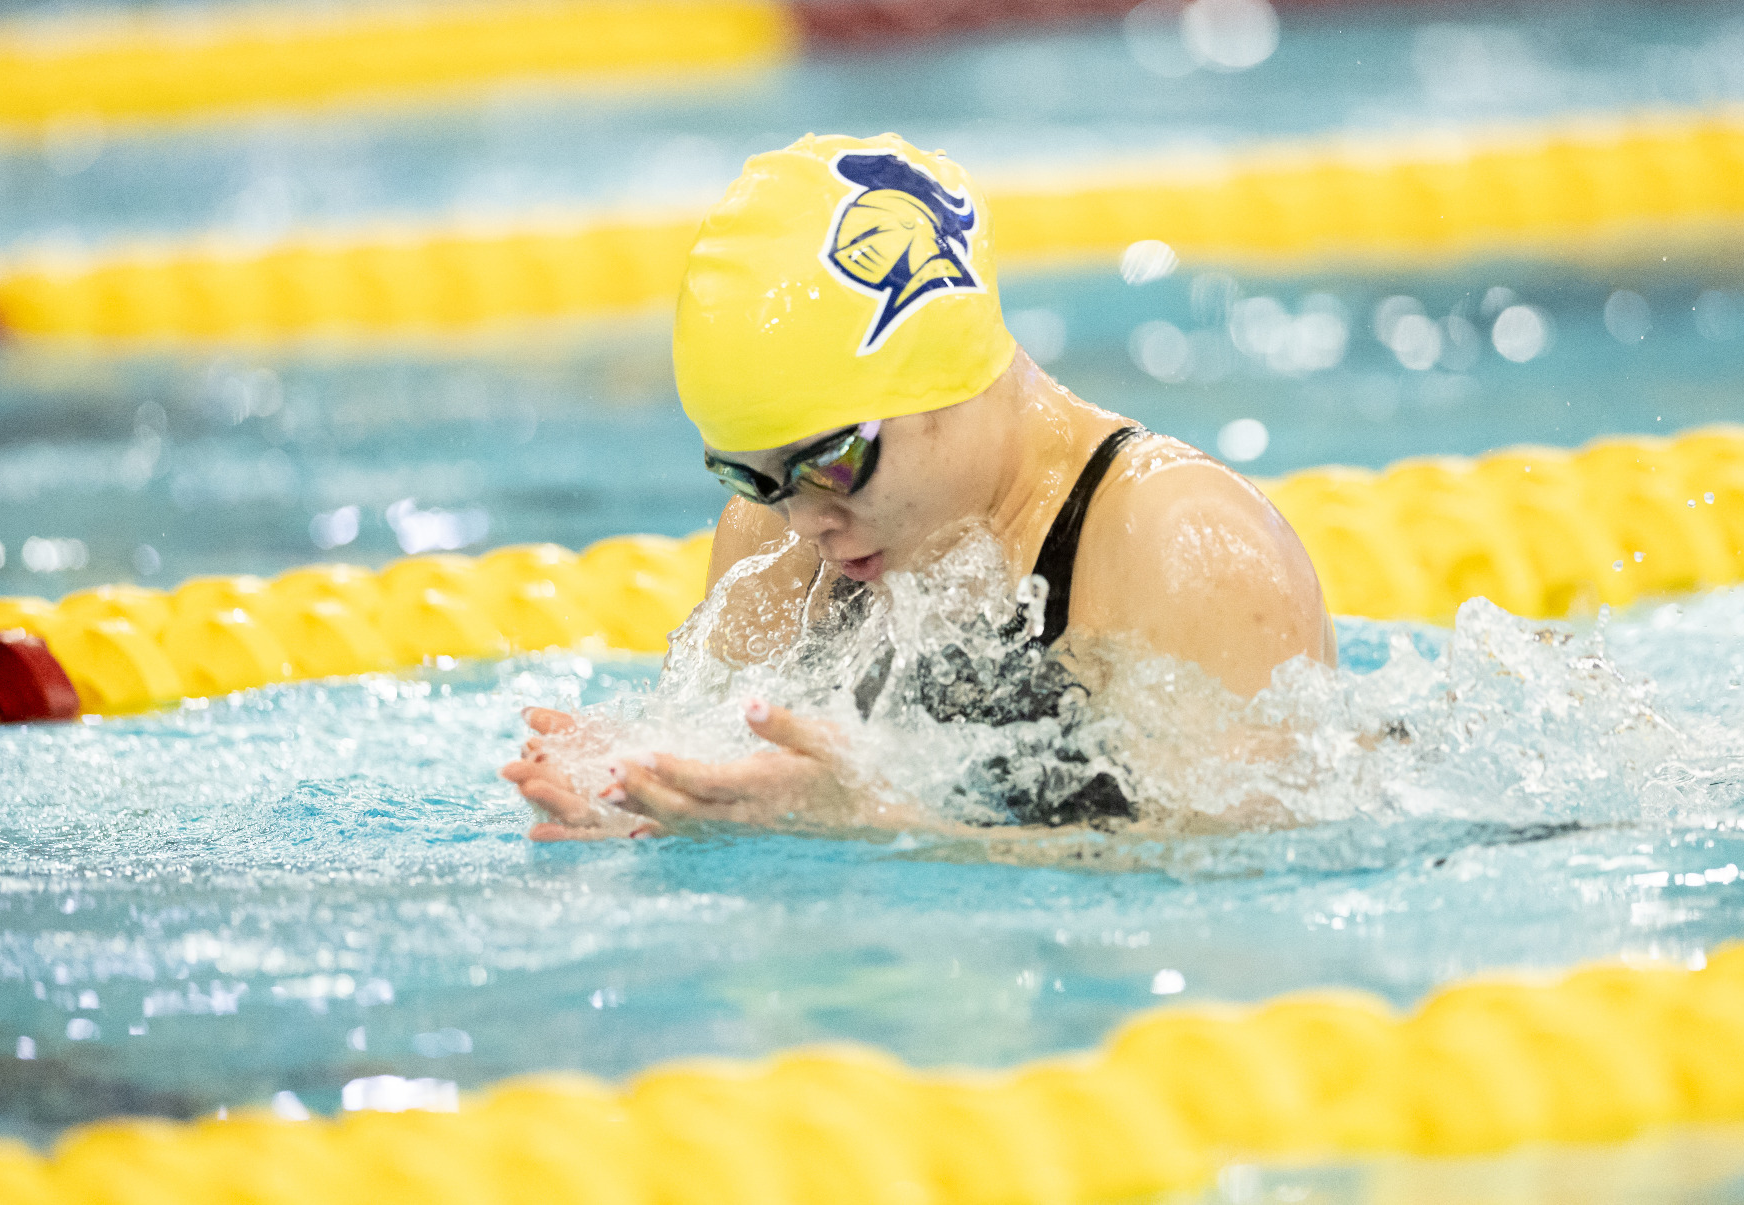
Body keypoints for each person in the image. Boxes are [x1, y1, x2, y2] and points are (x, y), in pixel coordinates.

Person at [501, 133, 1332, 841]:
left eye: (832, 461)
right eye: (752, 476)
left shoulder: (1183, 549)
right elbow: (759, 815)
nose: (804, 520)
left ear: (945, 375)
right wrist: (660, 808)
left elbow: (1236, 885)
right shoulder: (772, 543)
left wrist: (887, 828)